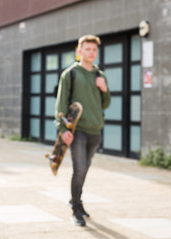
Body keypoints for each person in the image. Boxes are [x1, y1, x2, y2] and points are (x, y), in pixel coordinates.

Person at [55, 34, 111, 227]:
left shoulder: (99, 75)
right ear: (79, 51)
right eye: (87, 49)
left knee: (85, 168)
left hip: (95, 129)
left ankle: (76, 200)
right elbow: (61, 103)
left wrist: (104, 89)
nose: (91, 52)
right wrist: (62, 129)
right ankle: (76, 208)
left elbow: (106, 103)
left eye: (94, 49)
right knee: (79, 168)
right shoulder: (70, 73)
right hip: (77, 129)